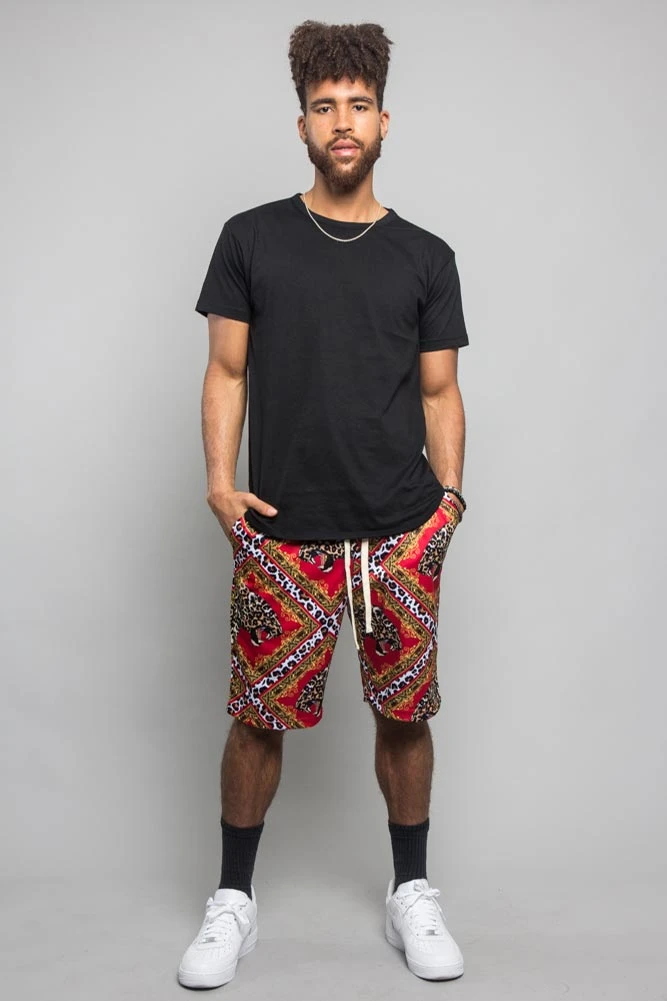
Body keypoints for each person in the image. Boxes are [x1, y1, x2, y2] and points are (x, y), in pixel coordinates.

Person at [178, 18, 469, 990]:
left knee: (405, 716)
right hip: (282, 533)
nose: (342, 122)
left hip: (398, 532)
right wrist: (219, 483)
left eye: (358, 105)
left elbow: (439, 390)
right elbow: (226, 371)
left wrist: (447, 507)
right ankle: (233, 899)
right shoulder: (250, 238)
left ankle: (410, 890)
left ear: (385, 121)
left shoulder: (425, 255)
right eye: (323, 106)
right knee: (255, 720)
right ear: (301, 124)